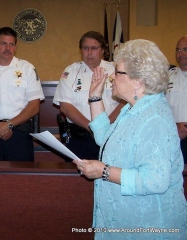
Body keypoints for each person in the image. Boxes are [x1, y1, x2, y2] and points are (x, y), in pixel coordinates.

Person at [73, 39, 187, 239]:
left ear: (138, 81)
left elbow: (155, 180)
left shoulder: (155, 119)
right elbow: (103, 138)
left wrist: (104, 171)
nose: (111, 78)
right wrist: (94, 97)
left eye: (117, 72)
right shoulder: (133, 108)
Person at [0, 27, 44, 161]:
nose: (7, 48)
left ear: (15, 47)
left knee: (22, 178)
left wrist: (8, 125)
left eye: (11, 44)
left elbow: (34, 106)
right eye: (3, 43)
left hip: (19, 134)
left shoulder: (27, 68)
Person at [53, 31, 124, 161]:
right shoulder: (71, 72)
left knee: (109, 175)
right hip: (80, 137)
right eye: (86, 48)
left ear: (102, 50)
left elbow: (125, 101)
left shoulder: (115, 70)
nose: (89, 52)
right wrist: (92, 126)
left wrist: (105, 125)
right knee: (75, 178)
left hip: (112, 135)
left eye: (94, 48)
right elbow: (65, 107)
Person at [165, 36, 187, 164]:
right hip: (173, 134)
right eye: (178, 50)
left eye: (185, 49)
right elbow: (160, 106)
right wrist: (176, 126)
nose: (181, 54)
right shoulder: (167, 77)